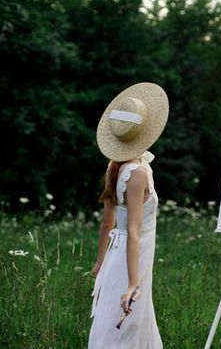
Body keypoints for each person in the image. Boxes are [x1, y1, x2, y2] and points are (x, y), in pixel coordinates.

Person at [88, 82, 169, 348]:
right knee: (126, 319)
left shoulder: (115, 165)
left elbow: (106, 224)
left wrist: (101, 261)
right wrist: (134, 282)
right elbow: (133, 230)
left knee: (117, 313)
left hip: (116, 253)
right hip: (134, 253)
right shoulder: (137, 173)